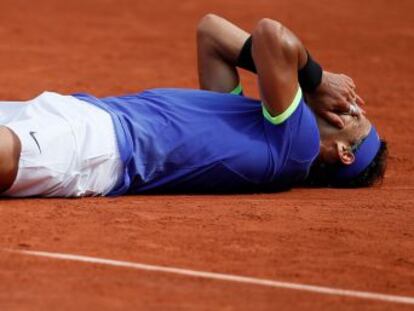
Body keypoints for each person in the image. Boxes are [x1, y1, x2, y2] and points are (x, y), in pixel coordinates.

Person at [0, 15, 387, 197]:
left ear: (343, 154)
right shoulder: (252, 128)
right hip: (87, 116)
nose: (348, 104)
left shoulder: (296, 150)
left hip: (102, 148)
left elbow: (273, 35)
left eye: (354, 116)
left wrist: (316, 81)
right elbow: (211, 33)